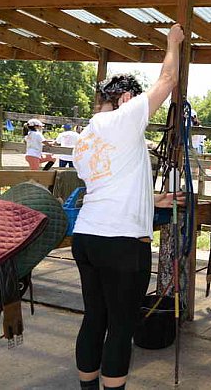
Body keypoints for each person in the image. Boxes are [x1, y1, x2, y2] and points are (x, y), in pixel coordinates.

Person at [70, 23, 184, 390]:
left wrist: (153, 200)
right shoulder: (124, 116)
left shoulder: (85, 136)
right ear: (125, 99)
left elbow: (108, 186)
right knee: (121, 327)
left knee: (94, 319)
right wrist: (173, 42)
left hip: (88, 236)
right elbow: (167, 80)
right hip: (121, 243)